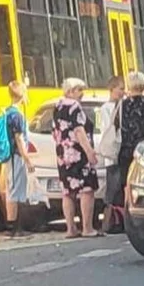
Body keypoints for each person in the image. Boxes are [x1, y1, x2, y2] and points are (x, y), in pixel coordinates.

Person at [52, 77, 100, 238]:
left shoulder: (57, 106)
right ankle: (87, 228)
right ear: (71, 91)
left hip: (63, 155)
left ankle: (70, 228)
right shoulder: (75, 107)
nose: (82, 94)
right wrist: (89, 152)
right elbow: (79, 131)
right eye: (79, 90)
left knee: (68, 191)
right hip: (78, 154)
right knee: (87, 189)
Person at [116, 72, 144, 218]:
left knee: (128, 183)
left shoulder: (122, 105)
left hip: (126, 149)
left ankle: (128, 213)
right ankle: (143, 210)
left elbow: (116, 126)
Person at [3, 80, 34, 238]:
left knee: (11, 190)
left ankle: (11, 225)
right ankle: (16, 228)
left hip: (9, 157)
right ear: (22, 95)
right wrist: (27, 158)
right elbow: (19, 138)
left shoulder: (6, 112)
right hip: (17, 156)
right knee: (17, 191)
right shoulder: (17, 116)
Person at [98, 76, 125, 234]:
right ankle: (112, 220)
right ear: (112, 89)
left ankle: (119, 220)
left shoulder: (121, 105)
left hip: (120, 153)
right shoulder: (106, 108)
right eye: (120, 88)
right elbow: (108, 130)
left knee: (119, 188)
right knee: (113, 189)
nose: (122, 92)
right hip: (112, 154)